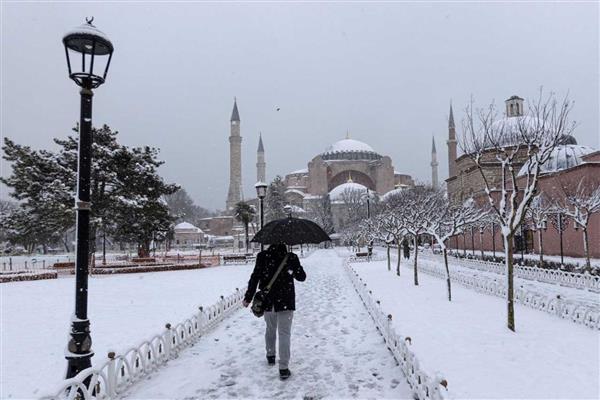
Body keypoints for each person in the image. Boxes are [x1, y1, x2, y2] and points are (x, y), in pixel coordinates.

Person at [242, 243, 306, 380]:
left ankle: (270, 355)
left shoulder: (262, 256)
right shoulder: (291, 257)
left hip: (268, 301)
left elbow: (255, 277)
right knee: (284, 334)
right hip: (286, 302)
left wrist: (248, 297)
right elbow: (302, 277)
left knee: (270, 328)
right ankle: (283, 368)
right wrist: (292, 270)